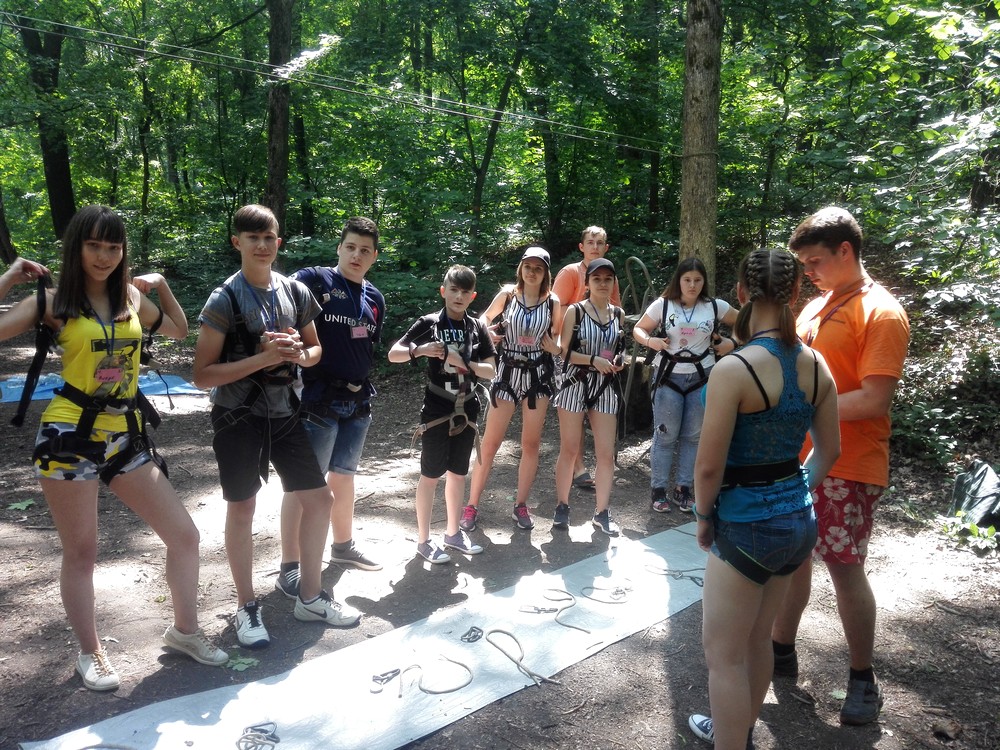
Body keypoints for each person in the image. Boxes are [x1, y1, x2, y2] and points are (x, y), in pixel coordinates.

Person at [0, 206, 228, 691]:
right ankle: (92, 653)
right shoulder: (53, 301)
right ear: (76, 247)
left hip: (125, 433)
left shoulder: (129, 296)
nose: (104, 256)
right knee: (83, 552)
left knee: (184, 536)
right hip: (68, 435)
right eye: (94, 245)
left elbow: (178, 329)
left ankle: (185, 633)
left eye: (114, 246)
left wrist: (160, 285)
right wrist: (9, 277)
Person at [686, 248, 840, 750]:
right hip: (798, 523)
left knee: (723, 656)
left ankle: (731, 738)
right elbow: (829, 451)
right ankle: (739, 731)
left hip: (746, 525)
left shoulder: (734, 369)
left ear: (741, 293)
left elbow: (708, 467)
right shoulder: (816, 363)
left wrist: (703, 517)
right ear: (796, 292)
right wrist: (795, 491)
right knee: (759, 639)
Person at [193, 204, 360, 650]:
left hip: (285, 412)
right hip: (237, 416)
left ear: (279, 242)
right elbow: (202, 375)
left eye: (269, 238)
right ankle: (247, 606)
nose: (263, 245)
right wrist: (263, 358)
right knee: (242, 508)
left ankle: (310, 597)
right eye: (253, 238)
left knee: (319, 500)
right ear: (237, 242)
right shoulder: (224, 299)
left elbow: (315, 350)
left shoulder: (294, 291)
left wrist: (296, 354)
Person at [770, 207, 910, 726]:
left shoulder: (881, 312)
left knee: (844, 567)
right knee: (792, 560)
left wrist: (799, 407)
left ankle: (862, 678)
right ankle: (780, 651)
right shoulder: (816, 306)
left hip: (849, 464)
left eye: (814, 261)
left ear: (845, 251)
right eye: (803, 264)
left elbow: (874, 399)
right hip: (795, 458)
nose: (807, 271)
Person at [275, 217, 385, 601]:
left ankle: (343, 547)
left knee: (344, 478)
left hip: (358, 403)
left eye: (365, 250)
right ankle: (289, 567)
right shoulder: (314, 280)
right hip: (316, 401)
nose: (357, 255)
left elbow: (367, 345)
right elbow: (278, 302)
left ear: (374, 256)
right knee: (302, 485)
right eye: (350, 247)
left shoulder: (375, 297)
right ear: (339, 248)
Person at [387, 264, 497, 563]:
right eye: (454, 290)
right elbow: (394, 354)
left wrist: (463, 362)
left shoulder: (476, 328)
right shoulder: (430, 323)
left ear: (473, 296)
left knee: (458, 474)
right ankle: (423, 541)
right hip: (437, 408)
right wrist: (421, 350)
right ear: (443, 291)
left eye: (465, 292)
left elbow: (491, 369)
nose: (458, 296)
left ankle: (452, 533)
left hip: (467, 407)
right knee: (430, 475)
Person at [461, 246, 562, 532]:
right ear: (521, 268)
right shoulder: (508, 295)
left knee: (530, 444)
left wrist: (555, 348)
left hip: (537, 377)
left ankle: (520, 505)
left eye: (538, 268)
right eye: (528, 266)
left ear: (546, 273)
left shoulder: (553, 302)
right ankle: (471, 505)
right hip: (507, 372)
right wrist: (488, 335)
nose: (532, 272)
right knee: (490, 443)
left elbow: (558, 337)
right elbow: (483, 320)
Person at [632, 258, 737, 513]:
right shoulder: (663, 305)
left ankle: (683, 489)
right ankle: (658, 490)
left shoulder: (715, 306)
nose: (692, 285)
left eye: (697, 280)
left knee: (693, 436)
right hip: (669, 376)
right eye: (687, 280)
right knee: (665, 434)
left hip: (702, 377)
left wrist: (731, 343)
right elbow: (639, 329)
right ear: (678, 281)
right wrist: (651, 342)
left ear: (704, 282)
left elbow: (747, 321)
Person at [552, 257, 626, 536]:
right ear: (588, 282)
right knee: (570, 449)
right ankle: (562, 505)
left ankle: (602, 512)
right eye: (597, 279)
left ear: (614, 282)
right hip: (575, 383)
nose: (603, 284)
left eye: (608, 279)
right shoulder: (576, 311)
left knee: (606, 453)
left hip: (605, 386)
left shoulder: (618, 314)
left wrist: (618, 361)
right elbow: (564, 351)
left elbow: (620, 347)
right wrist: (593, 360)